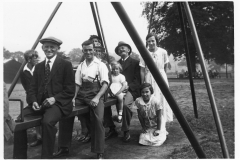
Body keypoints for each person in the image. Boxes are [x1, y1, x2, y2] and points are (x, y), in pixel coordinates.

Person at [13, 36, 75, 159]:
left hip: (58, 104)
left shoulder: (66, 65)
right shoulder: (39, 66)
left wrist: (54, 99)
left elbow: (70, 90)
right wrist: (34, 101)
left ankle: (46, 157)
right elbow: (32, 88)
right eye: (46, 47)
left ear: (58, 48)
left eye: (52, 47)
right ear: (42, 48)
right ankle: (19, 157)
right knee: (19, 121)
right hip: (40, 103)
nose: (49, 49)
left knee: (47, 123)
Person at [55, 39, 109, 159]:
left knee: (98, 119)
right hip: (82, 95)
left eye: (90, 50)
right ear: (83, 51)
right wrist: (73, 98)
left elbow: (105, 84)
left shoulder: (101, 65)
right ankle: (63, 147)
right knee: (66, 111)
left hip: (95, 94)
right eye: (85, 50)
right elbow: (78, 84)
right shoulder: (81, 65)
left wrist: (96, 98)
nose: (88, 52)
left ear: (94, 50)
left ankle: (99, 151)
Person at [140, 32, 173, 138]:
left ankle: (162, 127)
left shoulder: (163, 52)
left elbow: (165, 67)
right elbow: (142, 69)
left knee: (162, 100)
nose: (151, 43)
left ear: (156, 41)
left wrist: (163, 78)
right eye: (149, 41)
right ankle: (153, 126)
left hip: (161, 77)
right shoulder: (144, 53)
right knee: (152, 100)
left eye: (153, 40)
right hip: (149, 77)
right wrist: (143, 82)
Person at [107, 41, 141, 142]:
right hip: (115, 89)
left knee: (125, 105)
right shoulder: (116, 64)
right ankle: (111, 127)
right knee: (104, 103)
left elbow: (137, 80)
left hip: (130, 89)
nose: (121, 49)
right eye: (119, 48)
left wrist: (127, 87)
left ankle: (125, 130)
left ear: (129, 50)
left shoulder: (135, 62)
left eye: (123, 47)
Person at [19, 50, 42, 147]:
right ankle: (38, 137)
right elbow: (27, 88)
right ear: (29, 59)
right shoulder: (23, 72)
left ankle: (42, 137)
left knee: (44, 115)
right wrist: (33, 101)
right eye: (35, 57)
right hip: (32, 99)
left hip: (43, 98)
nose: (38, 59)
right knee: (21, 117)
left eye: (37, 57)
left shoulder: (40, 68)